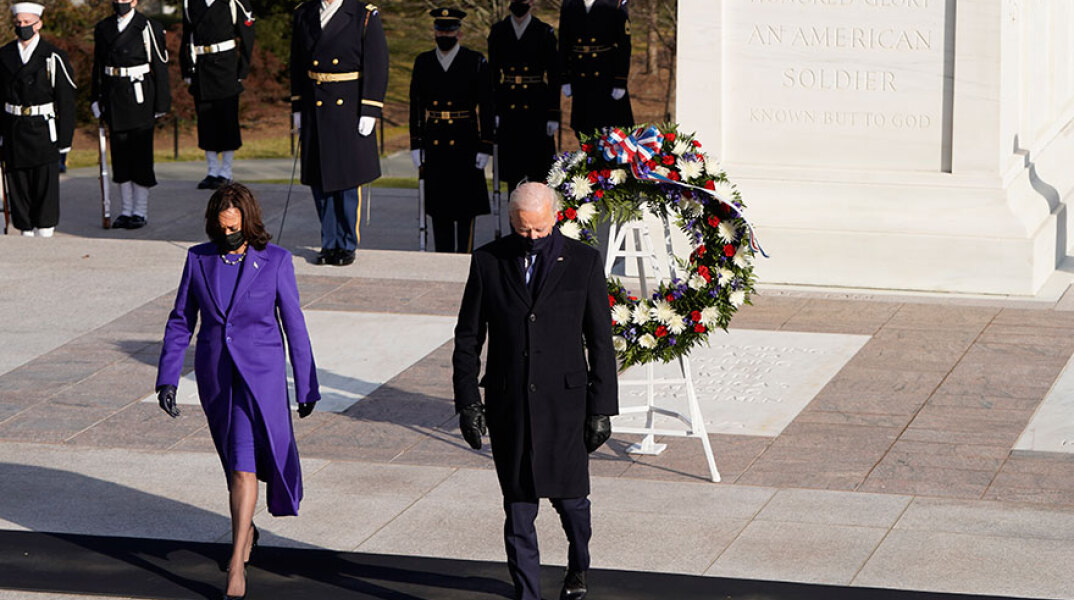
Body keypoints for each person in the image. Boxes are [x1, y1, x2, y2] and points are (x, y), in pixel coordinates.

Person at [452, 182, 617, 600]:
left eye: (540, 229)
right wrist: (468, 402)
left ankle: (578, 565)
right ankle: (528, 593)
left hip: (565, 408)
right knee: (519, 509)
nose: (533, 238)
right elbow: (468, 338)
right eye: (524, 230)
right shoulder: (488, 262)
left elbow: (600, 341)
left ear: (554, 217)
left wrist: (602, 408)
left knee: (573, 506)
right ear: (511, 221)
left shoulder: (583, 262)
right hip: (512, 408)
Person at [155, 183, 320, 599]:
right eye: (222, 227)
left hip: (260, 379)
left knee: (246, 467)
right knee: (232, 463)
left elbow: (294, 325)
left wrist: (307, 384)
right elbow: (180, 321)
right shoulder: (198, 259)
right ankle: (247, 531)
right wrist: (167, 378)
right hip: (217, 379)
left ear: (248, 220)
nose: (228, 233)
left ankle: (236, 569)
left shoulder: (277, 261)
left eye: (235, 227)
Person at [290, 0, 388, 266]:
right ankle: (329, 242)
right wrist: (297, 106)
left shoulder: (363, 15)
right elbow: (297, 64)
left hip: (349, 108)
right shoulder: (304, 13)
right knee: (320, 180)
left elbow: (377, 65)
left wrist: (370, 109)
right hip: (315, 106)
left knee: (345, 180)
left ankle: (346, 243)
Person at [409, 7, 494, 253]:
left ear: (459, 33)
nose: (444, 34)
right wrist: (416, 144)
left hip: (466, 139)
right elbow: (415, 105)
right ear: (434, 32)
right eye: (440, 29)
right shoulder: (423, 61)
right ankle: (441, 257)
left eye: (450, 30)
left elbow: (487, 105)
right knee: (439, 208)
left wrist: (486, 145)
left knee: (465, 207)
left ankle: (463, 257)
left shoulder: (475, 61)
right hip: (435, 140)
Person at [90, 0, 170, 230]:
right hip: (114, 96)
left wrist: (161, 102)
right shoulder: (103, 27)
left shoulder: (147, 26)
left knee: (141, 155)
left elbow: (160, 65)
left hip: (140, 96)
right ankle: (125, 210)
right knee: (120, 156)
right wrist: (96, 98)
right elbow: (98, 66)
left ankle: (140, 211)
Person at [0, 2, 75, 238]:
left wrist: (65, 139)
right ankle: (24, 230)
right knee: (18, 183)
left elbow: (66, 101)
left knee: (44, 184)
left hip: (43, 127)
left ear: (39, 24)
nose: (22, 27)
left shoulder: (53, 56)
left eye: (27, 23)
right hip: (14, 127)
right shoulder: (4, 55)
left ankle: (45, 230)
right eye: (18, 23)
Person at [179, 0, 256, 190]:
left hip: (226, 67)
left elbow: (247, 35)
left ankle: (226, 171)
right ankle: (212, 170)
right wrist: (187, 69)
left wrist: (242, 70)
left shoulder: (232, 2)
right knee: (206, 121)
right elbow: (187, 36)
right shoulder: (190, 3)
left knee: (227, 120)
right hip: (201, 66)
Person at [487, 0, 559, 191]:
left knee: (539, 171)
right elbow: (493, 74)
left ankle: (539, 218)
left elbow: (554, 75)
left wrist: (554, 113)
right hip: (508, 104)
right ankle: (515, 217)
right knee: (513, 172)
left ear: (532, 2)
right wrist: (493, 110)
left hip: (537, 105)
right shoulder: (499, 30)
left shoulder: (544, 31)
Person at [558, 0, 632, 140]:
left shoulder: (615, 3)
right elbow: (563, 42)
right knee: (584, 131)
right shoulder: (569, 3)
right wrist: (565, 77)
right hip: (580, 75)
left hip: (606, 75)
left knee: (611, 131)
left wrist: (620, 80)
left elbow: (624, 44)